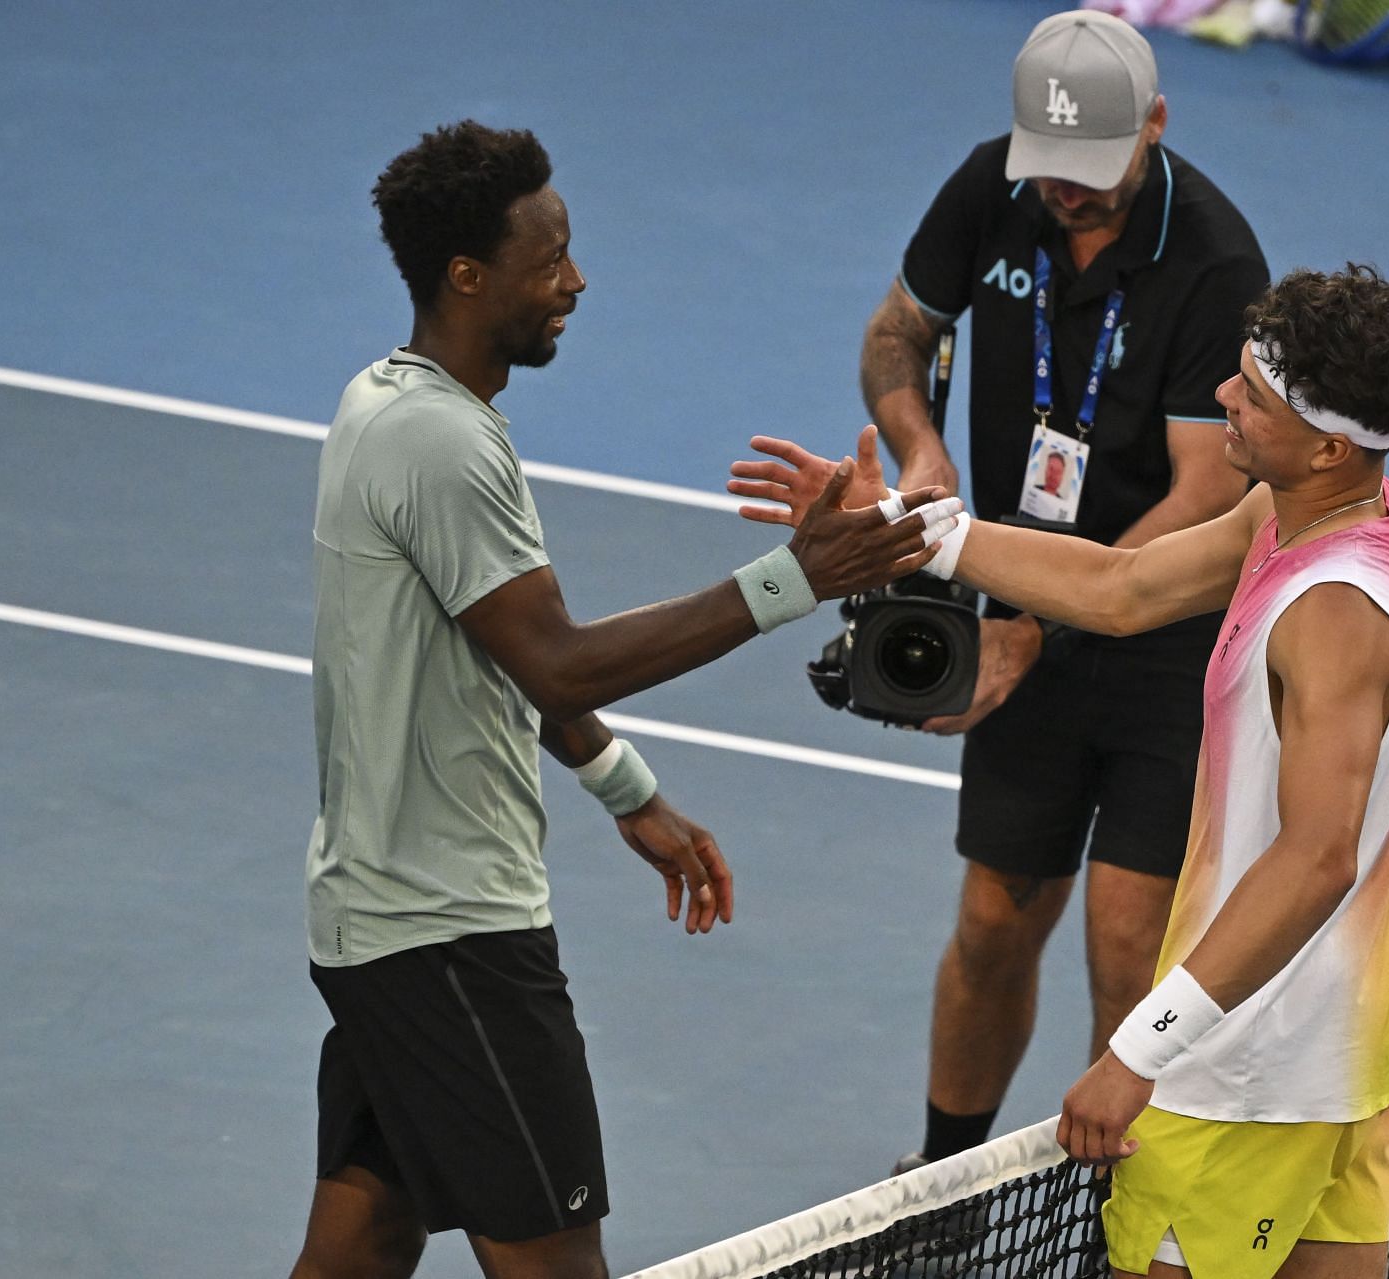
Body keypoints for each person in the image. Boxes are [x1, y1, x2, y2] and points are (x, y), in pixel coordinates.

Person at [290, 121, 958, 1279]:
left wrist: (626, 789)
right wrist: (800, 576)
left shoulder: (387, 406)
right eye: (549, 259)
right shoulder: (442, 445)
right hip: (452, 937)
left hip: (381, 924)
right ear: (466, 275)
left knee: (363, 1238)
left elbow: (497, 655)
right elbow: (555, 660)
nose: (576, 281)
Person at [727, 262, 1389, 1278]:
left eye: (1252, 391)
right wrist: (913, 527)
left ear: (1330, 442)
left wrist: (1141, 1049)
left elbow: (1319, 855)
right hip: (1353, 1052)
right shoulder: (1336, 513)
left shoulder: (1332, 611)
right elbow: (1121, 587)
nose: (1222, 397)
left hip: (1240, 1075)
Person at [756, 7, 1271, 1171]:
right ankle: (942, 1182)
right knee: (994, 920)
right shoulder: (993, 187)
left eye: (1093, 175)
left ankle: (1116, 1213)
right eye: (1052, 173)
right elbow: (896, 336)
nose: (1068, 196)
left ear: (1156, 126)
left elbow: (1203, 493)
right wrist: (921, 452)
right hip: (1015, 598)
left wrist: (1031, 618)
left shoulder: (1217, 260)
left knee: (1128, 943)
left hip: (1162, 639)